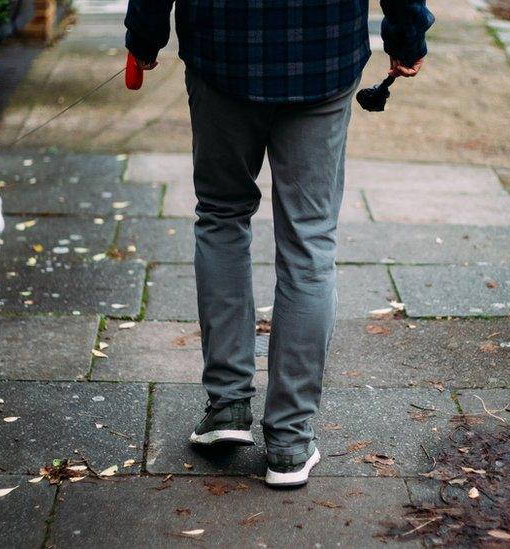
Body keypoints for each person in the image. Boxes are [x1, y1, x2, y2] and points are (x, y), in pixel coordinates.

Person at [124, 0, 433, 487]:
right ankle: (289, 441)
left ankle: (227, 406)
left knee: (222, 216)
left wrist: (144, 34)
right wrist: (407, 36)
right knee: (309, 242)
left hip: (223, 50)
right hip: (321, 54)